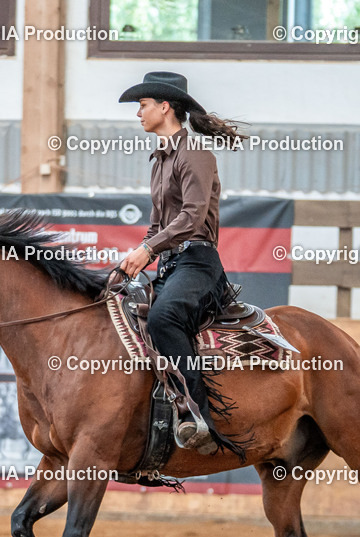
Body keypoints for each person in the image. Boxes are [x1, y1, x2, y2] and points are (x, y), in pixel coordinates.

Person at [117, 71, 247, 453]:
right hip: (171, 265)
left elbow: (191, 217)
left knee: (163, 318)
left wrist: (147, 250)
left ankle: (197, 417)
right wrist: (138, 257)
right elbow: (158, 224)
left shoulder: (195, 155)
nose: (138, 113)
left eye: (142, 105)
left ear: (164, 107)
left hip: (199, 264)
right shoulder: (159, 160)